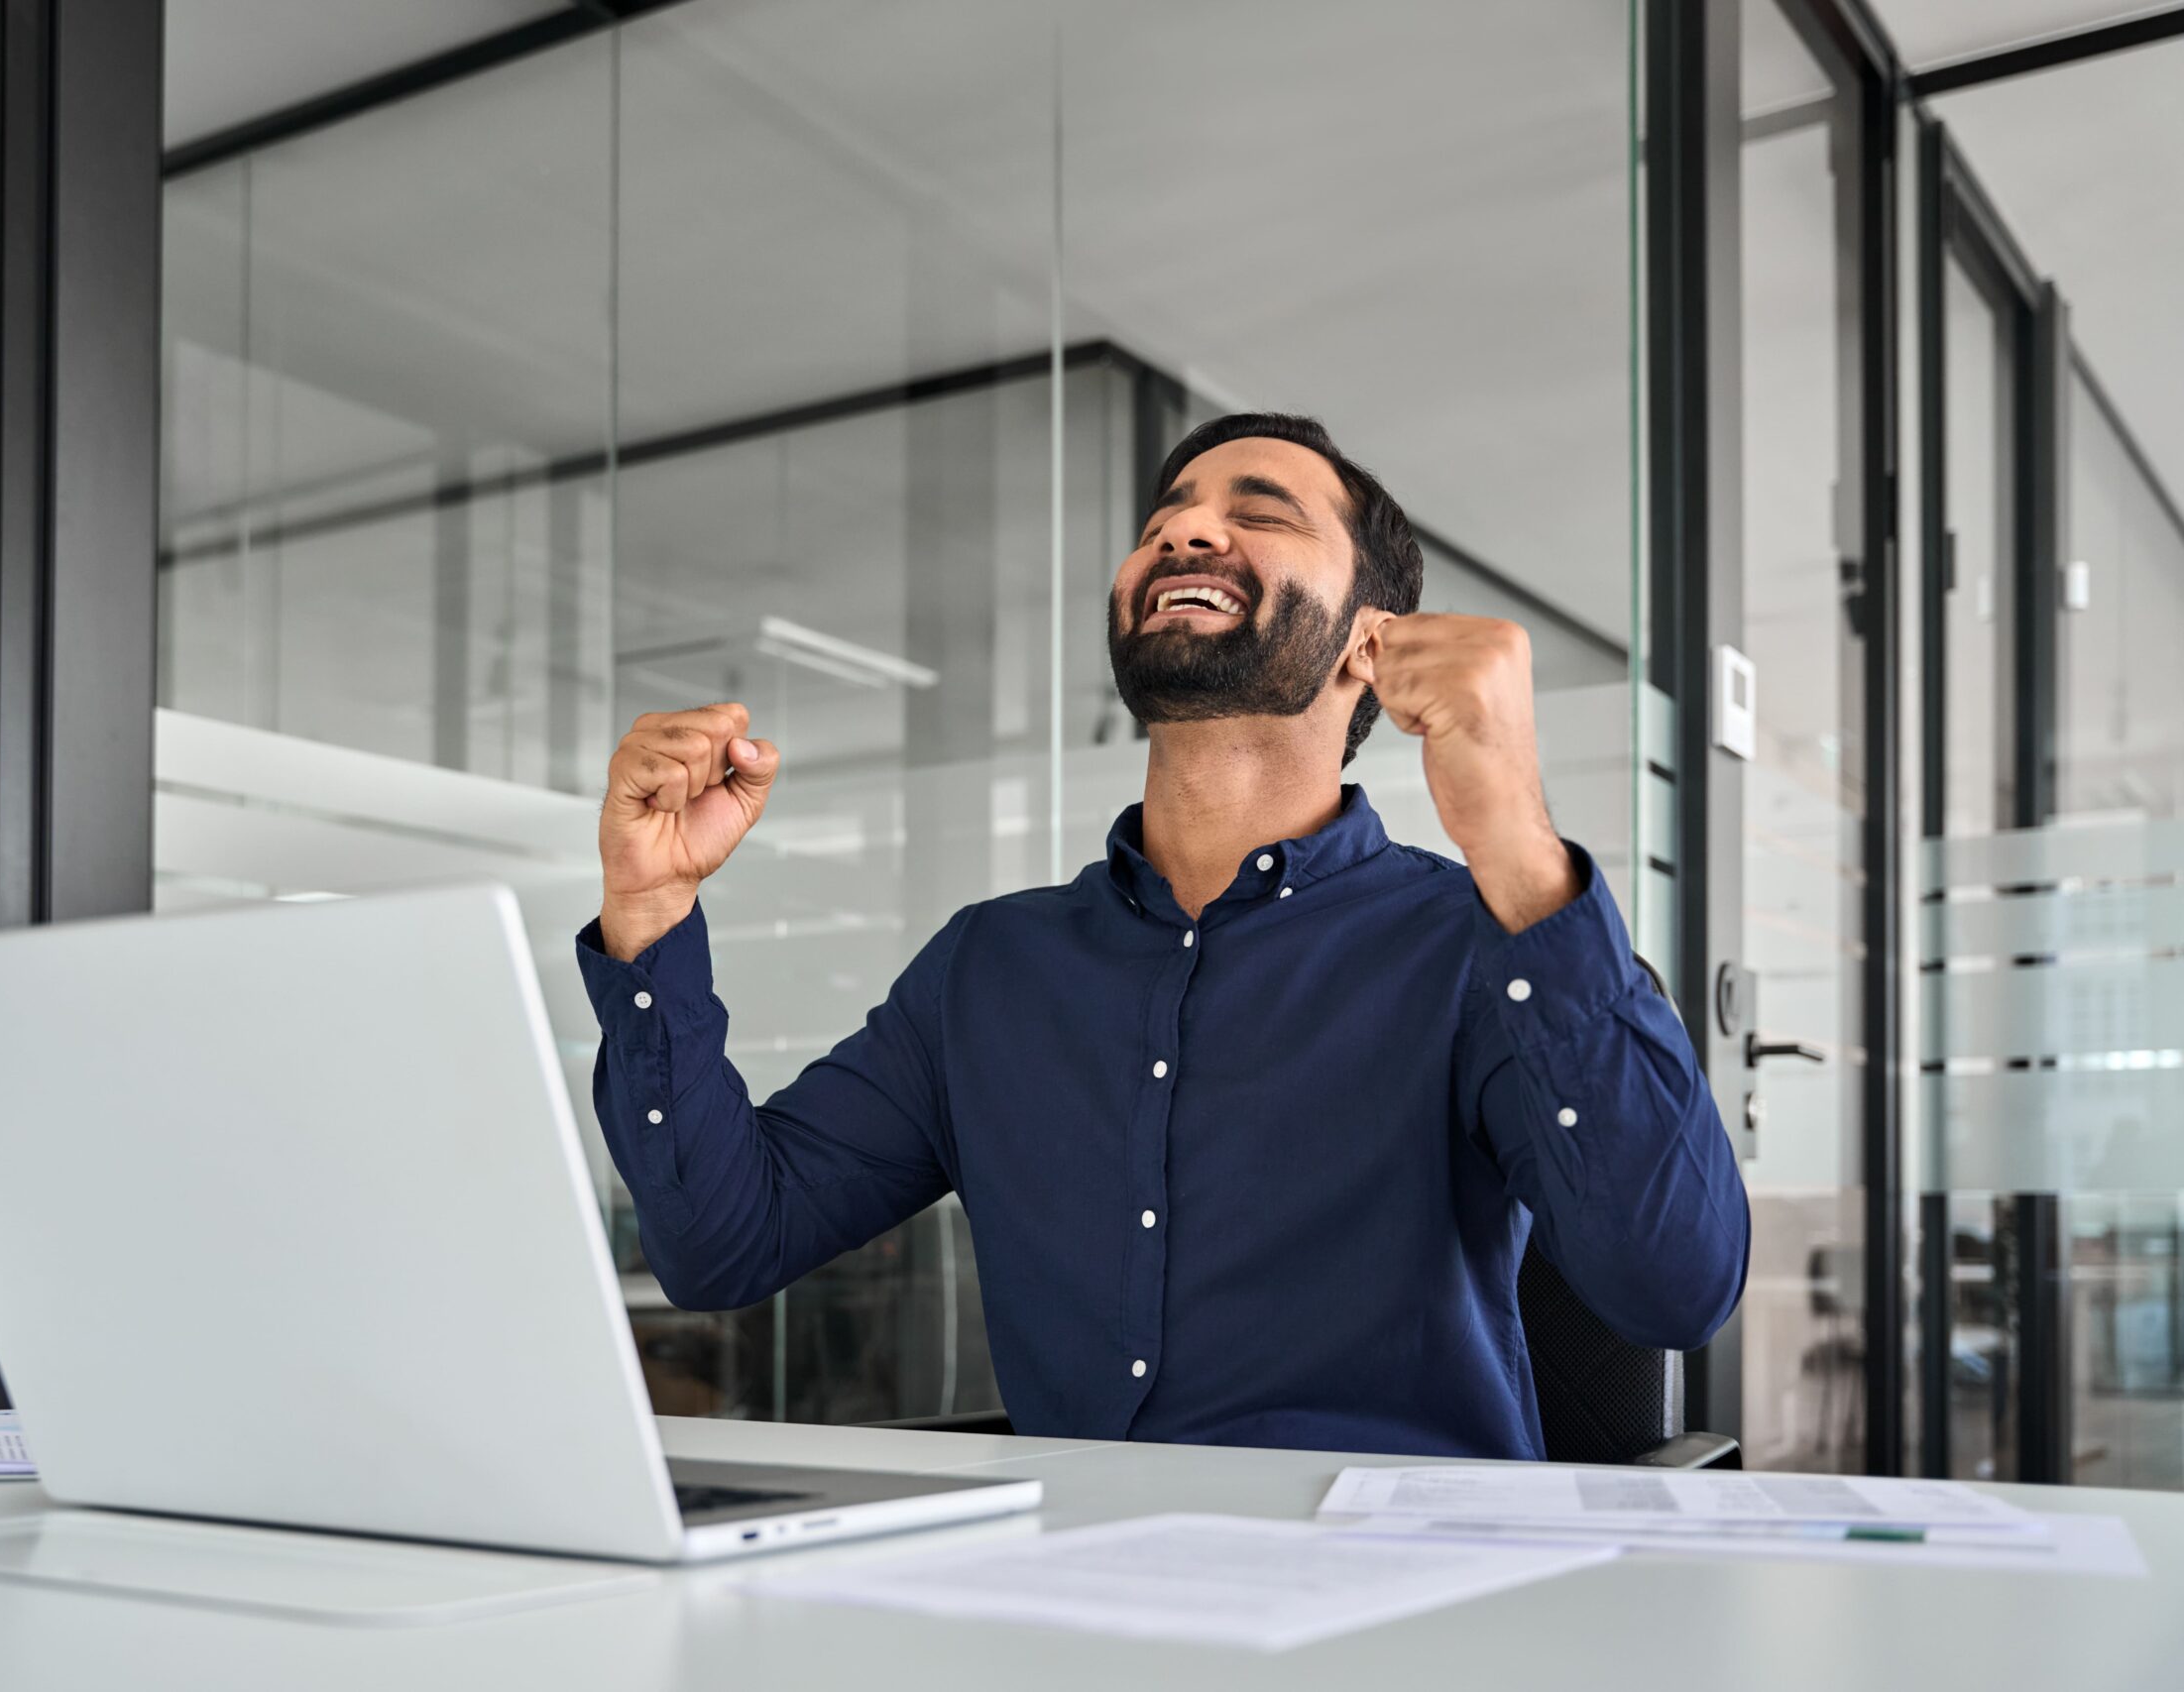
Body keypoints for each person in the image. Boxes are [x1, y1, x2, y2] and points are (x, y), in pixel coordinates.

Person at [575, 411, 1748, 1458]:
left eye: (1259, 513)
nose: (1185, 534)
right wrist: (650, 915)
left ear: (1370, 642)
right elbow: (724, 1243)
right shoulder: (990, 969)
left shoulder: (1479, 944)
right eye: (1166, 518)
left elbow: (1674, 1288)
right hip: (1083, 1600)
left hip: (1399, 1605)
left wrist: (1518, 847)